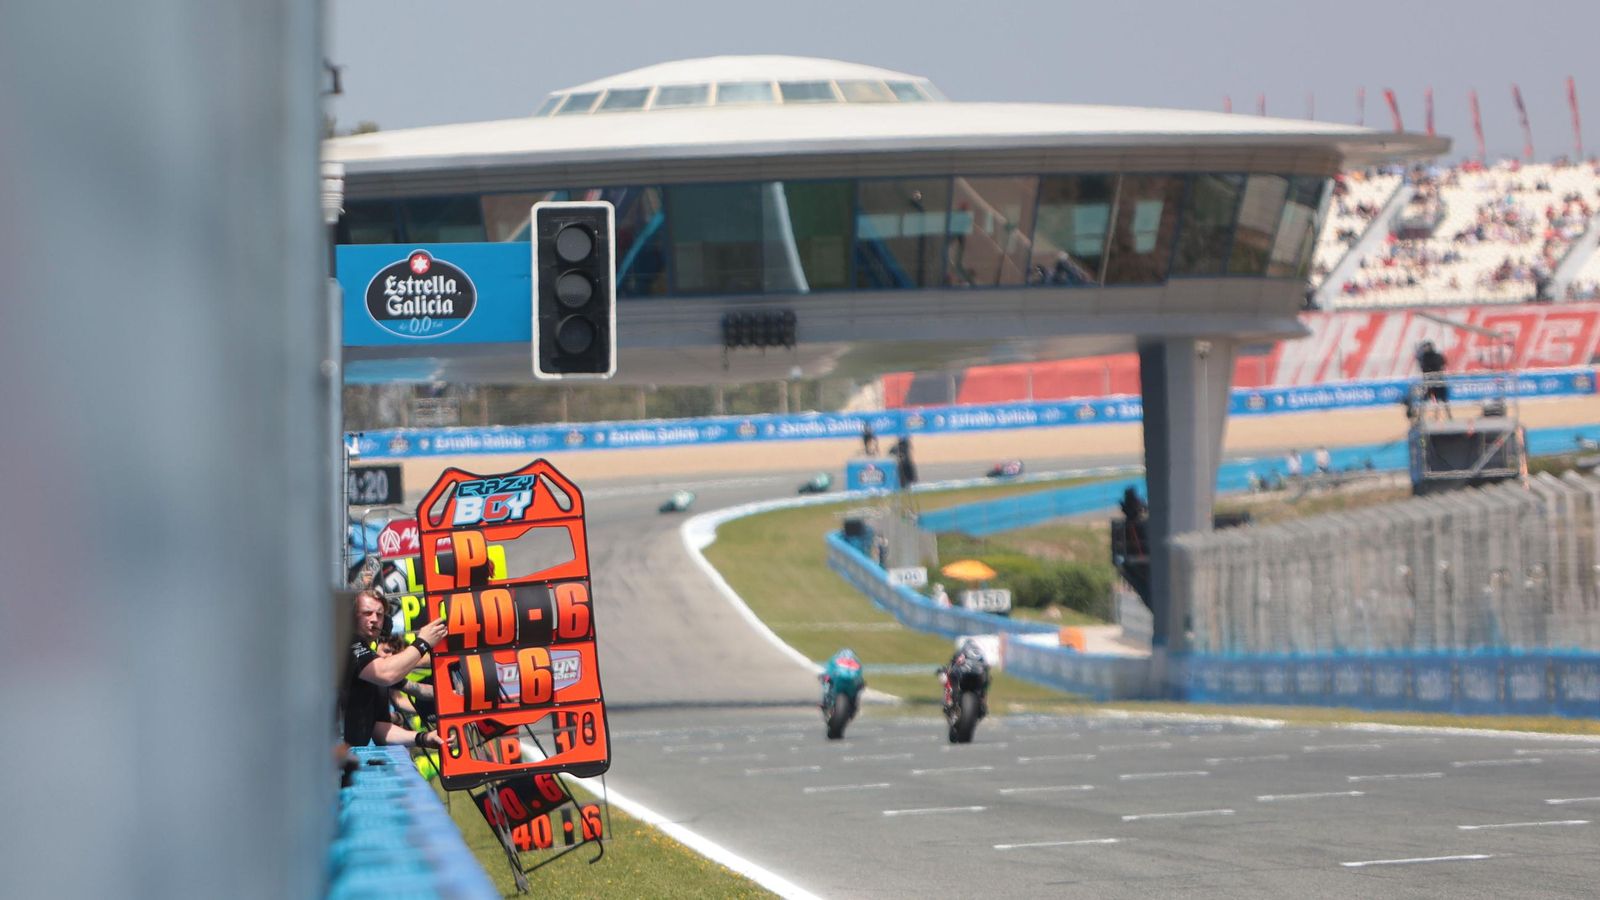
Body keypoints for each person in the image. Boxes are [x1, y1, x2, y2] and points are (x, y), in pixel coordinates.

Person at [341, 589, 448, 750]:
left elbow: (379, 728)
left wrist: (422, 738)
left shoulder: (370, 660)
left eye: (379, 614)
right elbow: (385, 673)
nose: (374, 619)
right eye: (367, 613)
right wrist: (423, 642)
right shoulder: (347, 645)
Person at [1416, 340, 1451, 420]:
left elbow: (1424, 368)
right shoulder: (1436, 356)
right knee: (1442, 400)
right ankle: (1449, 416)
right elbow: (1443, 365)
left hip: (1432, 381)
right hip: (1437, 380)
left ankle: (1420, 417)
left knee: (1440, 400)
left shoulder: (1425, 358)